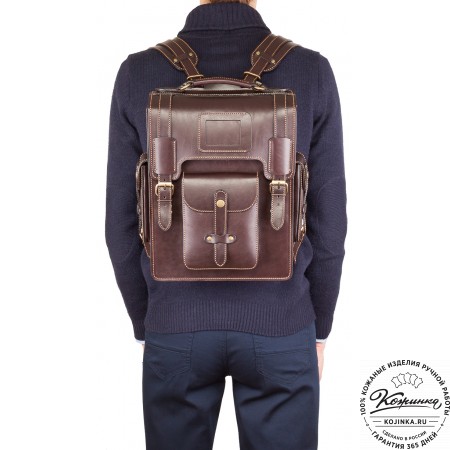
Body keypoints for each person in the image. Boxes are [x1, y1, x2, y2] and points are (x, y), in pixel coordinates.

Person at [105, 0, 347, 449]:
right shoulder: (310, 70)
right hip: (281, 324)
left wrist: (149, 322)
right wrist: (318, 328)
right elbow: (329, 222)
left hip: (175, 324)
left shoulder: (137, 73)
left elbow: (119, 225)